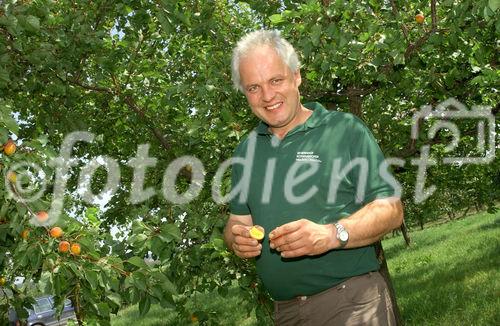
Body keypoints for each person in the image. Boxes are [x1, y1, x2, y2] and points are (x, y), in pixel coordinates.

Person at [223, 29, 404, 326]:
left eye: (275, 80)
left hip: (351, 302)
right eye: (253, 87)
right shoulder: (246, 150)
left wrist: (332, 234)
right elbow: (237, 223)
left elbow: (392, 210)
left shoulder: (344, 130)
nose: (267, 96)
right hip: (286, 313)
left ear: (296, 76)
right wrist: (236, 239)